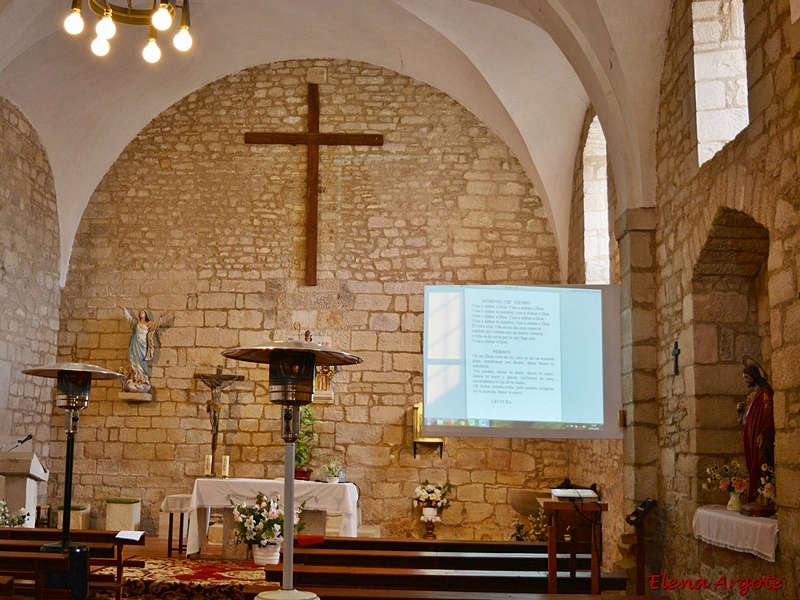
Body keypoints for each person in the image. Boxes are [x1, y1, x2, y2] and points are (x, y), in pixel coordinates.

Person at [737, 364, 775, 502]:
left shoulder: (766, 393)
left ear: (754, 376)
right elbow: (746, 419)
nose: (745, 380)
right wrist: (740, 411)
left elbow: (768, 415)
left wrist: (763, 432)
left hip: (758, 436)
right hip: (750, 435)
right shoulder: (754, 394)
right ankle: (757, 495)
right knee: (752, 462)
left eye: (747, 377)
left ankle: (764, 495)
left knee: (761, 462)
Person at [122, 307, 163, 393]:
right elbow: (129, 319)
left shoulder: (148, 324)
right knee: (134, 362)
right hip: (135, 345)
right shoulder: (136, 323)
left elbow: (155, 325)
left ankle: (143, 379)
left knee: (142, 361)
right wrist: (124, 310)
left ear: (146, 315)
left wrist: (160, 318)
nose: (141, 313)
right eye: (140, 312)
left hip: (143, 345)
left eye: (143, 312)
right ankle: (134, 379)